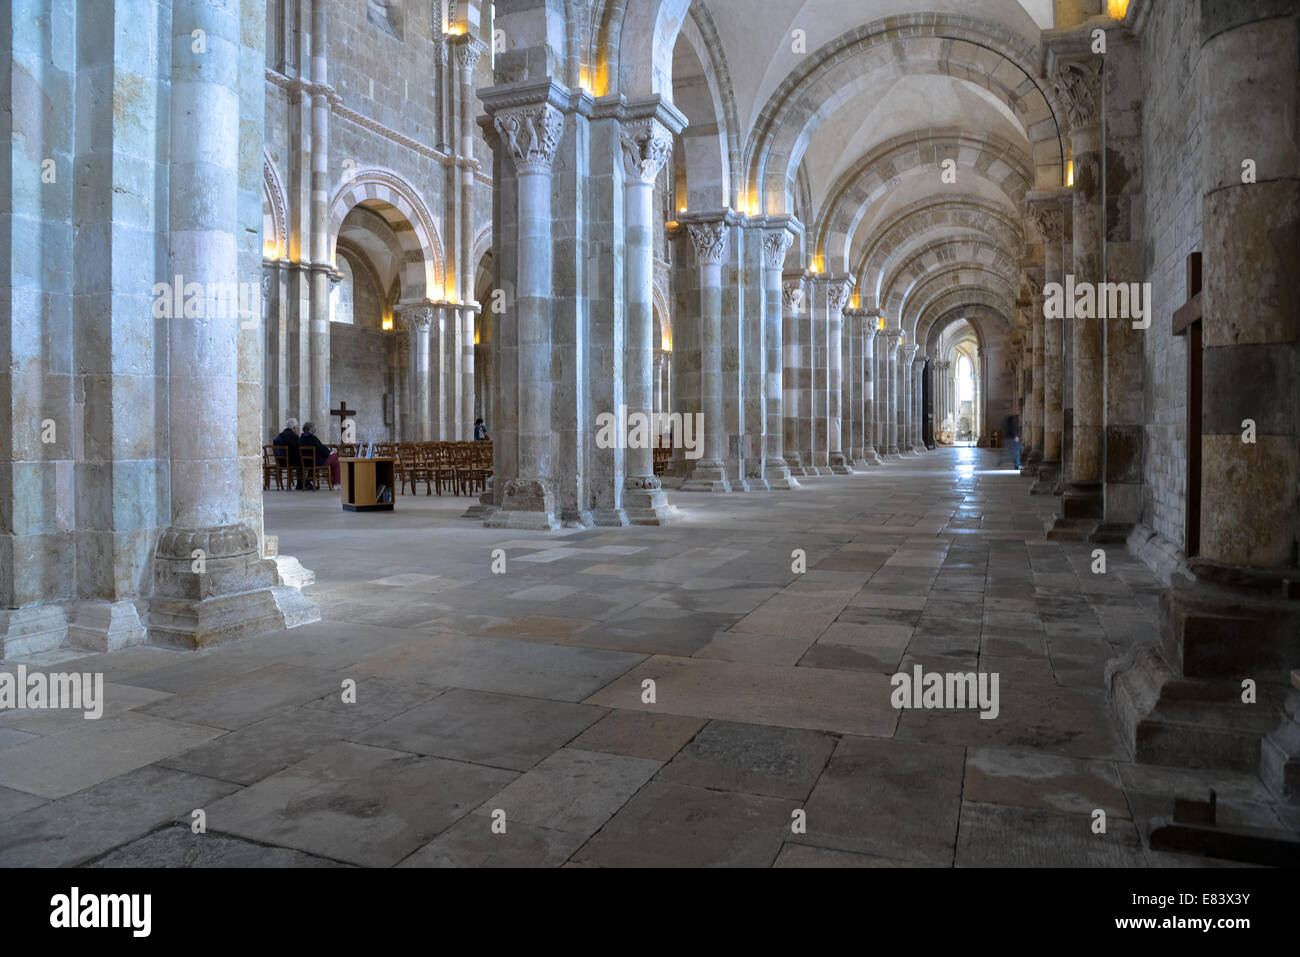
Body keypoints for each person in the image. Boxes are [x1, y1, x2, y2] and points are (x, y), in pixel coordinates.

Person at [298, 422, 339, 489]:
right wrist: (329, 452)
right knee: (335, 457)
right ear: (311, 429)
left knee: (334, 461)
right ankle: (336, 483)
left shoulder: (300, 439)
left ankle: (311, 480)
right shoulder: (313, 438)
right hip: (317, 463)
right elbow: (322, 449)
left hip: (305, 463)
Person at [273, 418, 302, 488]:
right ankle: (301, 484)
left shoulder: (279, 436)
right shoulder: (294, 437)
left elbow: (275, 443)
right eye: (296, 427)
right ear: (294, 427)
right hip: (290, 462)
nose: (297, 429)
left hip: (280, 462)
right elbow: (298, 450)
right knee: (302, 462)